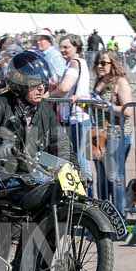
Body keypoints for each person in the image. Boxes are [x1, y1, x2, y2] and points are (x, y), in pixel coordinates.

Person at [0, 50, 75, 271]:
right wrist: (1, 146)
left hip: (23, 173)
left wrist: (72, 167)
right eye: (35, 84)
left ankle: (26, 264)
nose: (41, 88)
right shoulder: (3, 103)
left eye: (43, 83)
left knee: (55, 193)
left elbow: (60, 142)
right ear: (20, 85)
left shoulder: (44, 110)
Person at [91, 49, 133, 211]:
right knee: (101, 177)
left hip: (117, 134)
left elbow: (128, 110)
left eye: (104, 63)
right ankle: (104, 214)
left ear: (113, 63)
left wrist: (106, 106)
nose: (100, 66)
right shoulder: (99, 81)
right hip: (97, 133)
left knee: (114, 177)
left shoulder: (120, 82)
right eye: (98, 63)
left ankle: (119, 217)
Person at [50, 34, 93, 187]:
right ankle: (82, 192)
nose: (62, 50)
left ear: (76, 47)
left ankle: (85, 194)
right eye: (61, 47)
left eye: (66, 47)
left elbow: (64, 88)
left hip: (77, 117)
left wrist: (47, 96)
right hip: (75, 117)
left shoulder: (74, 63)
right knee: (77, 157)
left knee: (77, 157)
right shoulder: (78, 62)